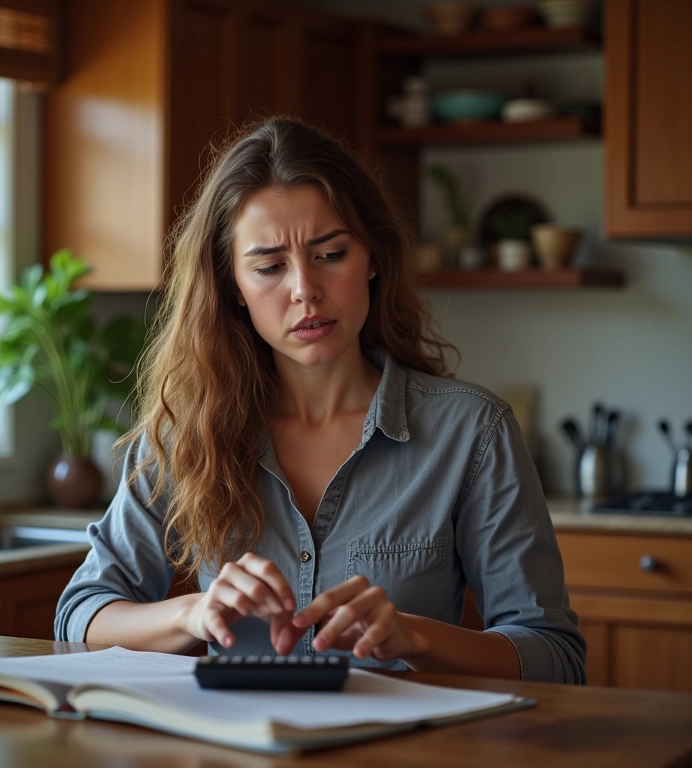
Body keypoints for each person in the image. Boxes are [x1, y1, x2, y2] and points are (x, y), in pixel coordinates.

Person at [55, 116, 586, 683]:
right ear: (234, 287)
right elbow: (80, 614)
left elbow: (555, 657)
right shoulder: (185, 433)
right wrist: (192, 614)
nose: (304, 290)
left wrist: (416, 637)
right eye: (269, 267)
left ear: (373, 257)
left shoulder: (472, 432)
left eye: (330, 255)